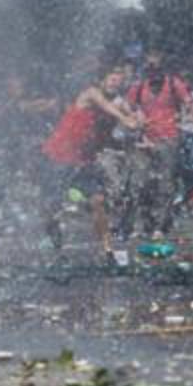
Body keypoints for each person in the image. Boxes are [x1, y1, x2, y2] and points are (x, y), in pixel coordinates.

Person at [40, 66, 140, 260]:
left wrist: (135, 118)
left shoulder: (115, 103)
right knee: (52, 205)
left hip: (83, 160)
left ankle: (107, 249)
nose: (115, 85)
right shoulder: (91, 92)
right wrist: (125, 119)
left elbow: (127, 111)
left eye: (119, 83)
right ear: (102, 80)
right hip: (59, 156)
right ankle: (52, 227)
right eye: (112, 80)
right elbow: (107, 106)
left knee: (98, 201)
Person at [125, 49, 193, 239]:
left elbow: (190, 103)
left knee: (165, 183)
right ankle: (141, 223)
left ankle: (159, 225)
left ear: (163, 68)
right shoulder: (139, 86)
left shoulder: (173, 83)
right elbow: (127, 107)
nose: (153, 71)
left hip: (168, 138)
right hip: (143, 139)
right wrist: (136, 118)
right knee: (140, 182)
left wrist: (184, 119)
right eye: (149, 67)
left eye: (156, 67)